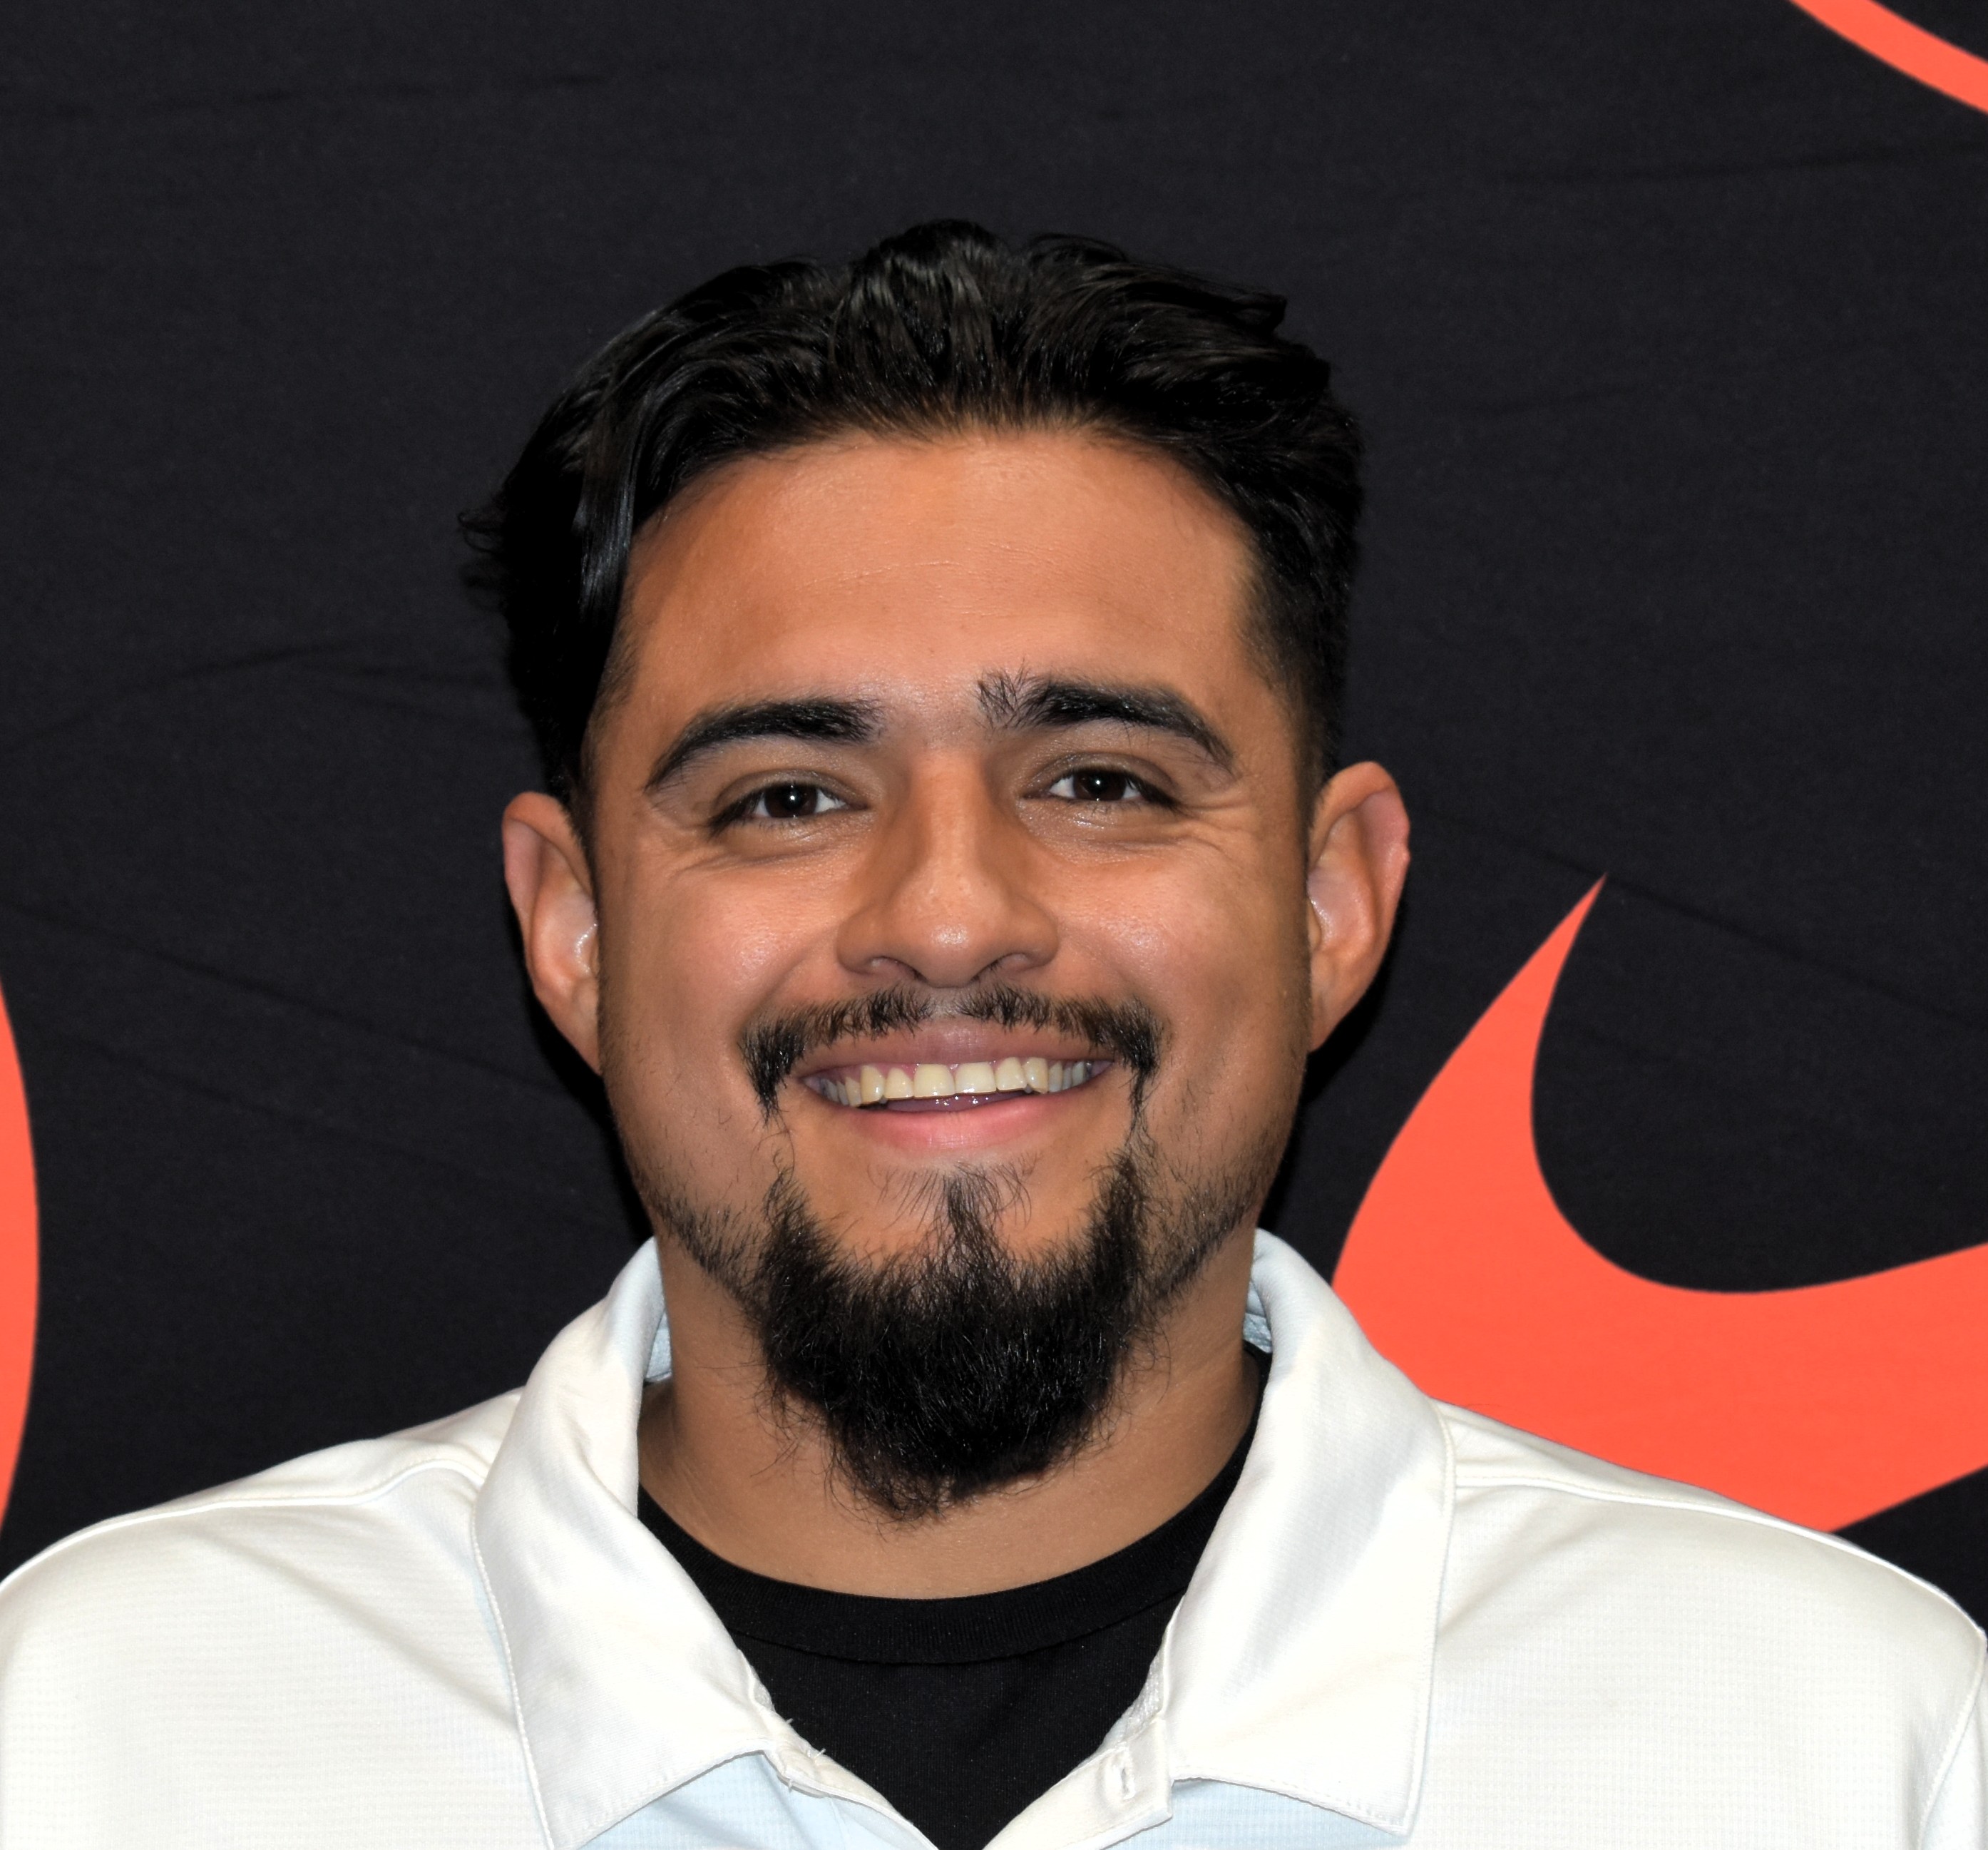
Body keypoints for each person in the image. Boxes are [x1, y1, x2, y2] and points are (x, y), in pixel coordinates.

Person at [0, 221, 1980, 1849]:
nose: (946, 915)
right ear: (575, 928)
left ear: (1331, 900)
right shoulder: (104, 1735)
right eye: (787, 795)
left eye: (1101, 780)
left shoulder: (1841, 1748)